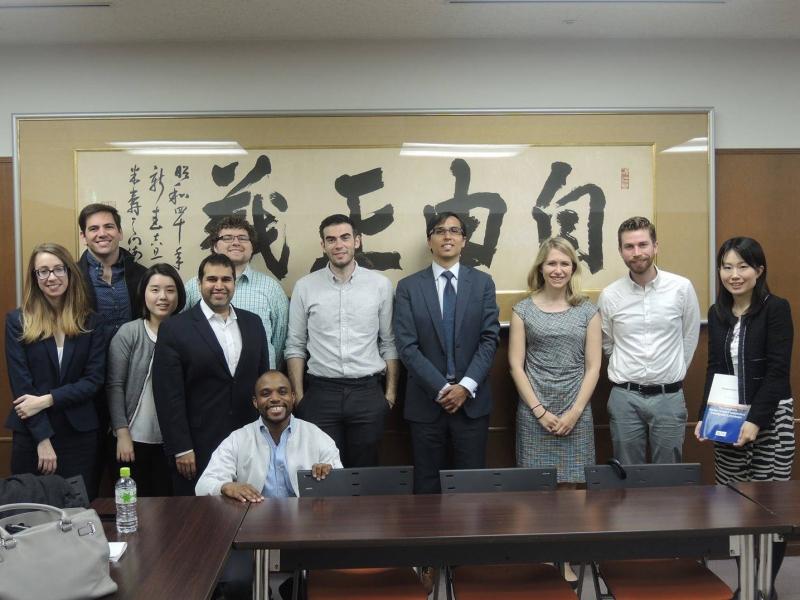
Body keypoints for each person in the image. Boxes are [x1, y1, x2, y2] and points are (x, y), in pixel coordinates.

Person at [696, 237, 793, 597]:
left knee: (769, 509)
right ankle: (745, 584)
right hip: (729, 419)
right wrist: (706, 415)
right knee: (733, 507)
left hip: (769, 420)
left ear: (759, 270)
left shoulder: (776, 309)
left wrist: (756, 420)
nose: (734, 274)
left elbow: (778, 371)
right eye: (727, 267)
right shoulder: (718, 313)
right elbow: (714, 368)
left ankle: (764, 586)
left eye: (743, 266)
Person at [197, 369, 341, 600]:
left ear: (293, 397)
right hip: (250, 530)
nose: (275, 398)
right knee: (235, 582)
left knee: (324, 580)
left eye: (282, 392)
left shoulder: (314, 434)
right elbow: (203, 485)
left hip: (306, 528)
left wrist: (329, 474)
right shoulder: (238, 438)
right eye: (266, 393)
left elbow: (340, 480)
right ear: (256, 402)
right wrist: (226, 486)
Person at [394, 212, 500, 494]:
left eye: (454, 231)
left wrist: (464, 387)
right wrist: (442, 388)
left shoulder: (482, 284)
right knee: (427, 487)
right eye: (440, 231)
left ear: (464, 241)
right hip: (427, 404)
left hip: (471, 405)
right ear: (430, 241)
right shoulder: (408, 288)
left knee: (471, 487)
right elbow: (407, 345)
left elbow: (489, 340)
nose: (447, 236)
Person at [285, 214, 398, 468]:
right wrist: (300, 398)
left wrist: (389, 395)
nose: (339, 245)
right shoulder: (305, 287)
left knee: (365, 470)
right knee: (323, 471)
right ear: (323, 245)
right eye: (331, 239)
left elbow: (389, 342)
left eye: (345, 237)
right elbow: (295, 345)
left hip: (368, 392)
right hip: (321, 393)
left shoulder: (380, 285)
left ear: (357, 241)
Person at [152, 253, 269, 495]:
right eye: (212, 279)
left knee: (250, 511)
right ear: (199, 283)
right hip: (197, 446)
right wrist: (181, 447)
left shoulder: (253, 323)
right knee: (198, 521)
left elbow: (263, 383)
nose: (219, 286)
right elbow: (168, 395)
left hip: (248, 442)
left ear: (234, 283)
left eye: (226, 279)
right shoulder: (175, 329)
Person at [5, 243, 105, 498]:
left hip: (79, 435)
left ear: (70, 273)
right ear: (35, 277)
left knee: (77, 512)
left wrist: (47, 400)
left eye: (58, 269)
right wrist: (42, 439)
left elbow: (93, 381)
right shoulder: (18, 321)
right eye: (43, 271)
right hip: (32, 434)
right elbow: (22, 386)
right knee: (30, 515)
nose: (52, 277)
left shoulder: (90, 322)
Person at [598, 216, 700, 464]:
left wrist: (671, 372)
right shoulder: (610, 295)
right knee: (626, 472)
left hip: (669, 396)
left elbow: (690, 335)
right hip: (625, 397)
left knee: (668, 475)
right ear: (620, 251)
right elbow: (607, 342)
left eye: (643, 245)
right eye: (629, 247)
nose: (637, 253)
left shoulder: (681, 288)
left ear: (656, 246)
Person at [509, 237, 601, 485]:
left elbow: (593, 367)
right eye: (551, 264)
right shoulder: (523, 310)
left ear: (573, 268)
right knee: (534, 493)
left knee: (577, 492)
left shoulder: (588, 310)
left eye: (564, 263)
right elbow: (516, 366)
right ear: (541, 267)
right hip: (534, 413)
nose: (558, 270)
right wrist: (539, 412)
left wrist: (575, 413)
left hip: (577, 413)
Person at [106, 263, 186, 497]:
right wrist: (122, 434)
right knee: (133, 505)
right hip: (131, 439)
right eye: (155, 290)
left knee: (168, 512)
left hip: (171, 443)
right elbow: (114, 385)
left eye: (170, 290)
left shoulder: (186, 334)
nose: (163, 297)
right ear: (143, 294)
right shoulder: (129, 333)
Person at [184, 215, 289, 369]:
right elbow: (180, 333)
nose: (236, 242)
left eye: (243, 238)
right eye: (227, 238)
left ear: (252, 247)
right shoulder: (194, 286)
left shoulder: (271, 288)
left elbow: (279, 340)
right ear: (214, 246)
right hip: (205, 380)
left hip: (259, 383)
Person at [77, 203, 147, 338]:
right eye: (93, 229)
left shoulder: (143, 275)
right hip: (90, 357)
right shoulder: (71, 276)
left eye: (109, 227)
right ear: (84, 237)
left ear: (120, 233)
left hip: (134, 357)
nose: (102, 234)